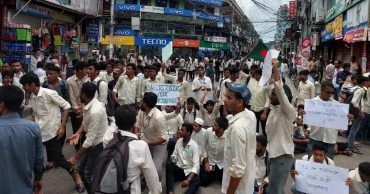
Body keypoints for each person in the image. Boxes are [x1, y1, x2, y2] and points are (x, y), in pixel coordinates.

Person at [20, 72, 85, 193]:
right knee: (33, 158)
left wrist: (62, 126)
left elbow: (66, 106)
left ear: (32, 84)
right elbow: (35, 114)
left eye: (25, 85)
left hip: (51, 132)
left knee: (59, 159)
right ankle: (34, 183)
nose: (24, 88)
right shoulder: (33, 96)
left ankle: (77, 178)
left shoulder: (49, 93)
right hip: (38, 132)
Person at [102, 105, 162, 194]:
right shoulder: (140, 146)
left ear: (117, 122)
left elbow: (112, 127)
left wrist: (118, 120)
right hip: (131, 189)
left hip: (110, 187)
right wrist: (156, 191)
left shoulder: (107, 138)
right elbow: (151, 174)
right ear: (135, 121)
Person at [0, 85, 44, 194]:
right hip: (25, 188)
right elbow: (39, 159)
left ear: (1, 105)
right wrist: (38, 179)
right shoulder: (33, 128)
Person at [68, 82, 109, 194]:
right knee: (82, 170)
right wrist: (78, 133)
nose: (79, 95)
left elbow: (90, 138)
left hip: (98, 144)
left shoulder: (95, 111)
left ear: (84, 94)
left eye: (80, 92)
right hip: (92, 143)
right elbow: (86, 123)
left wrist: (76, 157)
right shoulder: (90, 103)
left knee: (88, 173)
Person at [266, 58, 296, 194]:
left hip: (282, 155)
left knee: (274, 190)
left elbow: (279, 90)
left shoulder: (287, 110)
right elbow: (269, 88)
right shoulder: (275, 109)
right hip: (272, 152)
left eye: (273, 94)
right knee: (275, 188)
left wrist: (276, 70)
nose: (270, 96)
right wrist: (269, 73)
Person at [135, 92, 181, 179]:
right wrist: (136, 134)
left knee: (156, 170)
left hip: (159, 145)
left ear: (145, 104)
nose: (141, 102)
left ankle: (157, 187)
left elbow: (164, 138)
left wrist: (147, 143)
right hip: (145, 141)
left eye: (142, 101)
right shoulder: (141, 111)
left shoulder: (158, 117)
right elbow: (137, 124)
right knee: (139, 165)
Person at [222, 82, 256, 194]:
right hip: (247, 183)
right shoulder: (250, 115)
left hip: (238, 189)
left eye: (229, 98)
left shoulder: (237, 128)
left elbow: (238, 168)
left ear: (240, 102)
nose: (224, 100)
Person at [307, 81, 354, 159]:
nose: (330, 95)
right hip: (315, 137)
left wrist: (348, 119)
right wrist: (303, 115)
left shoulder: (337, 105)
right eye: (328, 92)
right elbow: (307, 121)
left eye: (332, 93)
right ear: (321, 90)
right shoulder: (312, 103)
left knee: (328, 165)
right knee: (312, 162)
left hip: (330, 140)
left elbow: (342, 122)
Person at [166, 123, 201, 194]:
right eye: (180, 129)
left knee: (197, 181)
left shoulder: (194, 146)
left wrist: (188, 180)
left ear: (188, 133)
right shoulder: (179, 141)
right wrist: (173, 159)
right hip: (179, 168)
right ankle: (170, 191)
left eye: (182, 130)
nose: (180, 131)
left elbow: (196, 165)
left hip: (189, 171)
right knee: (169, 166)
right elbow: (174, 155)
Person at [42, 65, 70, 148]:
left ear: (58, 75)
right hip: (49, 114)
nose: (48, 76)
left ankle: (58, 153)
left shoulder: (63, 85)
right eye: (47, 74)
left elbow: (67, 100)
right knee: (49, 136)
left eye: (51, 74)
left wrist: (66, 116)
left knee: (61, 135)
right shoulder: (44, 85)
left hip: (61, 114)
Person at [66, 61, 89, 150]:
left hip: (85, 108)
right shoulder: (70, 81)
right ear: (80, 70)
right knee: (76, 129)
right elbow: (71, 96)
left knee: (85, 129)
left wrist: (84, 108)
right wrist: (76, 108)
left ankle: (83, 148)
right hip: (75, 109)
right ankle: (77, 147)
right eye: (86, 69)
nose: (87, 71)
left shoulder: (87, 80)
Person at [200, 117, 228, 186]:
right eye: (214, 123)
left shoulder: (228, 135)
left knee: (226, 183)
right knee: (204, 182)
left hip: (222, 163)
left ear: (221, 129)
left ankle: (216, 173)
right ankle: (213, 173)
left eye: (215, 125)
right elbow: (203, 146)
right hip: (210, 161)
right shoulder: (208, 131)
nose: (212, 125)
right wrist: (206, 162)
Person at [347, 76, 367, 154]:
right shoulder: (361, 90)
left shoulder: (354, 88)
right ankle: (351, 146)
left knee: (353, 128)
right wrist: (361, 112)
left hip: (352, 111)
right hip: (357, 112)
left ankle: (350, 142)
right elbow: (354, 102)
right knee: (354, 129)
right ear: (363, 82)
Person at [249, 68, 271, 136]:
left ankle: (265, 145)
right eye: (255, 75)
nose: (255, 77)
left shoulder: (266, 86)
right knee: (254, 130)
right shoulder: (255, 84)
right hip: (254, 109)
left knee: (265, 130)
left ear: (261, 76)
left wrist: (264, 113)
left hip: (262, 110)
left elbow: (268, 100)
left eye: (257, 75)